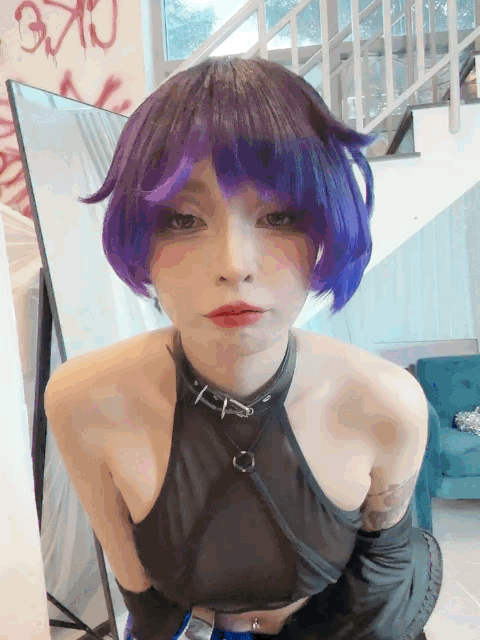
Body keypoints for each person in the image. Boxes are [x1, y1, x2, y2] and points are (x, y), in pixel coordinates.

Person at [44, 56, 442, 640]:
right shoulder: (85, 400)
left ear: (326, 228)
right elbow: (142, 596)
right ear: (140, 235)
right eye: (182, 220)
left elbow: (380, 583)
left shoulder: (386, 402)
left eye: (280, 216)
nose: (234, 265)